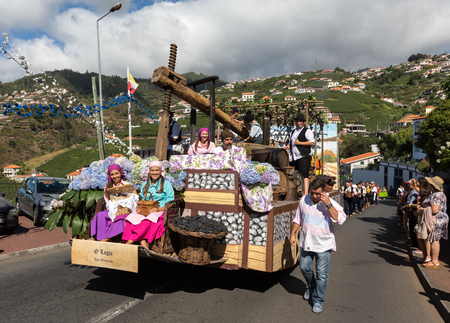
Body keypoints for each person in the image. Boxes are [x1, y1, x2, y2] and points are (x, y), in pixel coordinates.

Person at [289, 177, 346, 314]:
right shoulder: (304, 200)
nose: (314, 196)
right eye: (312, 193)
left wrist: (328, 204)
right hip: (306, 242)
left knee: (322, 275)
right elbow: (298, 219)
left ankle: (318, 300)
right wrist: (292, 234)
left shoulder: (330, 202)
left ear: (324, 192)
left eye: (318, 194)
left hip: (323, 245)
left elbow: (340, 220)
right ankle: (311, 286)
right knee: (304, 267)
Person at [122, 161, 175, 249]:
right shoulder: (145, 185)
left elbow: (171, 203)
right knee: (131, 218)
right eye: (152, 170)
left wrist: (158, 210)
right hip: (146, 210)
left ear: (161, 171)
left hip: (160, 211)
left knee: (146, 222)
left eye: (157, 170)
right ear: (149, 171)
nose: (154, 173)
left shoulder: (166, 184)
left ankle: (129, 243)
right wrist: (139, 208)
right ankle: (143, 244)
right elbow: (142, 200)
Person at [90, 165, 136, 242]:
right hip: (111, 209)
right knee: (100, 215)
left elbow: (132, 199)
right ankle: (101, 238)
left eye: (117, 173)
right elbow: (107, 200)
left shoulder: (127, 185)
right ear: (109, 175)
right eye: (112, 174)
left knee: (120, 218)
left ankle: (105, 240)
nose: (115, 176)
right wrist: (112, 209)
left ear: (121, 173)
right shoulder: (107, 186)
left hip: (124, 210)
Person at [417, 176, 448, 269]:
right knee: (435, 240)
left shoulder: (436, 195)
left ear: (432, 185)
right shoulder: (440, 194)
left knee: (435, 240)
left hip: (436, 219)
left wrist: (422, 209)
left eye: (429, 183)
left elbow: (434, 210)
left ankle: (434, 261)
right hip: (440, 218)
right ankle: (433, 260)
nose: (428, 184)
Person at [284, 113, 315, 195]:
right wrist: (286, 147)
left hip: (304, 156)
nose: (301, 123)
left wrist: (299, 143)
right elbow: (290, 144)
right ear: (296, 122)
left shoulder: (307, 131)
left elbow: (311, 143)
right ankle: (298, 192)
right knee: (296, 174)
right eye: (300, 121)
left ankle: (305, 193)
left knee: (304, 174)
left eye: (302, 121)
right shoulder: (293, 132)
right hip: (294, 157)